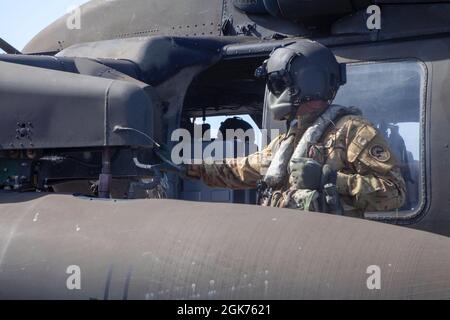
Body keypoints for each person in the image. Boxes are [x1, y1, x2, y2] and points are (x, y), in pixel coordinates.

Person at [175, 40, 406, 218]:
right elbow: (241, 169)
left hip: (332, 251)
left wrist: (331, 180)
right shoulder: (289, 139)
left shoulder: (352, 131)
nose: (275, 92)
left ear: (306, 82)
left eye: (279, 83)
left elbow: (395, 192)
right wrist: (184, 168)